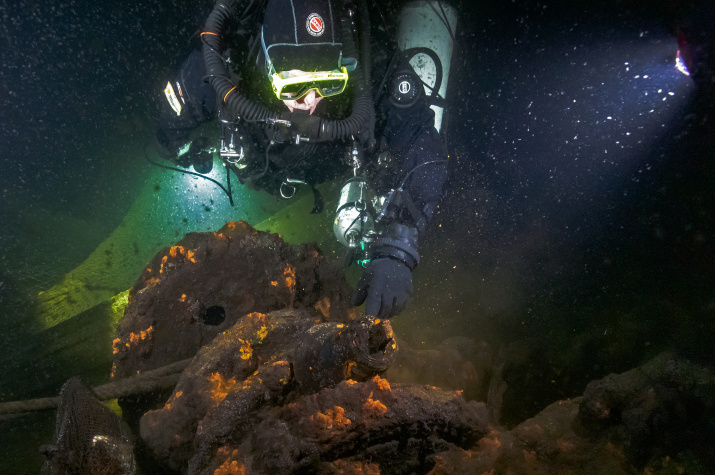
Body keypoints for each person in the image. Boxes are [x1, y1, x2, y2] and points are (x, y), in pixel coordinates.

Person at [155, 0, 449, 319]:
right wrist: (186, 149)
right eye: (293, 87)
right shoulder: (216, 70)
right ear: (265, 66)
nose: (311, 102)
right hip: (261, 167)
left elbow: (422, 139)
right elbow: (169, 124)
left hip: (338, 164)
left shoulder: (372, 62)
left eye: (329, 84)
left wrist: (398, 242)